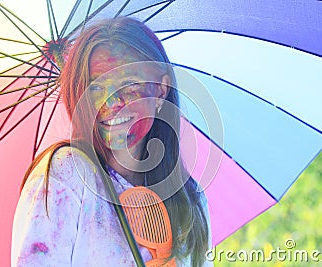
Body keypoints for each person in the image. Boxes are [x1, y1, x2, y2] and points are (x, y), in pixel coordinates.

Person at [11, 17, 212, 267]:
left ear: (161, 90)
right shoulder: (65, 176)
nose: (112, 102)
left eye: (128, 84)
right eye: (95, 88)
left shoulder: (189, 199)